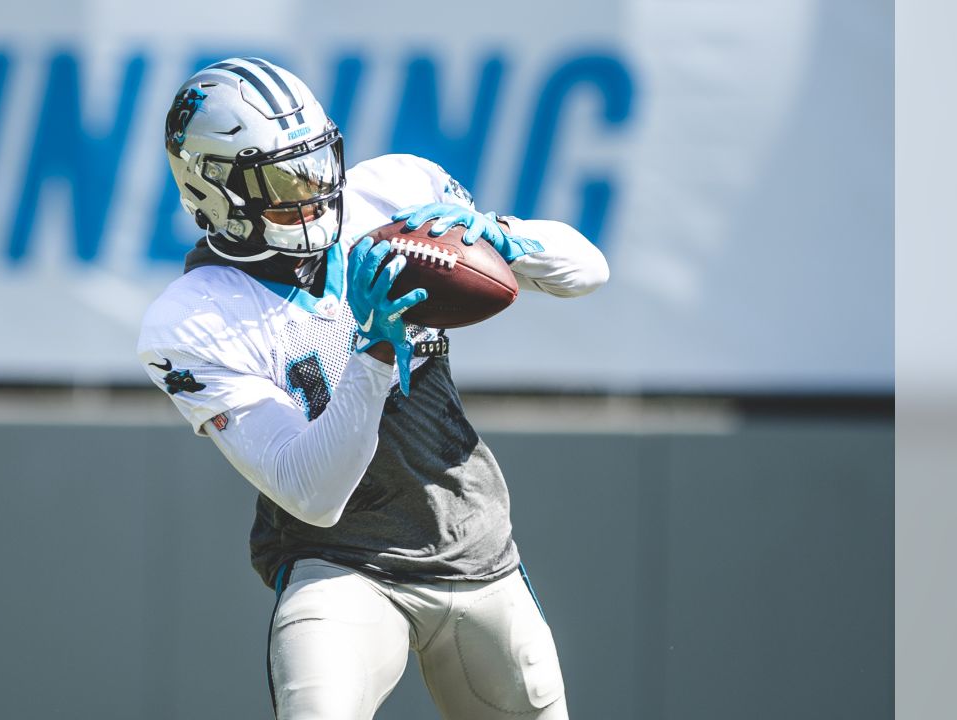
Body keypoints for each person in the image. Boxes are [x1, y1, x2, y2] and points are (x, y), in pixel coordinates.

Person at [137, 57, 608, 720]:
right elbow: (314, 494)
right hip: (342, 563)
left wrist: (509, 239)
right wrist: (373, 349)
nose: (316, 190)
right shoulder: (193, 320)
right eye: (283, 177)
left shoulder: (392, 194)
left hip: (474, 547)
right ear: (213, 188)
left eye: (320, 164)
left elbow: (589, 269)